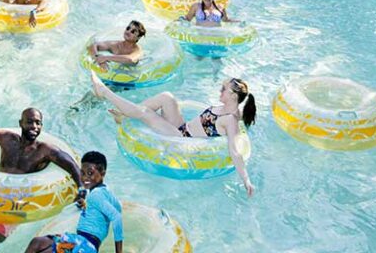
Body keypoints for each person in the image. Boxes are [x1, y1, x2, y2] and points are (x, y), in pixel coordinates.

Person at [91, 72, 256, 196]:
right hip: (183, 129)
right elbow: (243, 113)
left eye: (224, 89)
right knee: (167, 97)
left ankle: (104, 92)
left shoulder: (230, 120)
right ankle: (125, 115)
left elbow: (235, 152)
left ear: (233, 96)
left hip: (182, 141)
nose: (220, 90)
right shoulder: (230, 110)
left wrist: (246, 179)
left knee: (146, 113)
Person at [0, 108, 87, 253]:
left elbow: (73, 167)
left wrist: (81, 189)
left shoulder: (44, 151)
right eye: (30, 122)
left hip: (13, 207)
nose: (34, 126)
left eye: (38, 123)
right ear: (21, 123)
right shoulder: (7, 139)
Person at [25, 151, 123, 253]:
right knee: (39, 243)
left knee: (37, 244)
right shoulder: (106, 192)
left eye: (90, 173)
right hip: (87, 245)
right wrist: (87, 206)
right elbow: (117, 208)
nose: (85, 178)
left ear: (102, 172)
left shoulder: (95, 195)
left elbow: (116, 217)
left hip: (83, 244)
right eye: (82, 173)